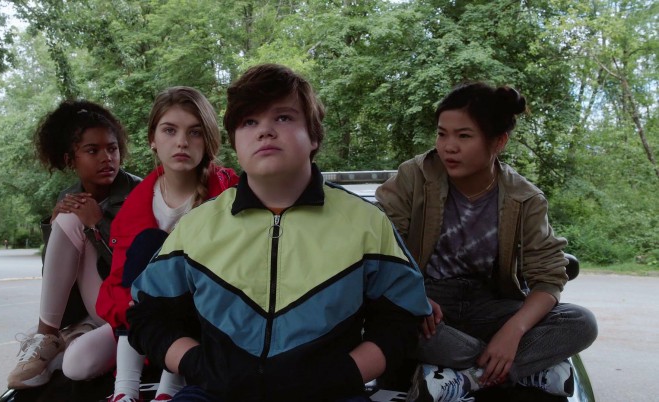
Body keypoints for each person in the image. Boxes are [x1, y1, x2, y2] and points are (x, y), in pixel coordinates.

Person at [125, 63, 432, 402]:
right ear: (234, 141)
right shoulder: (198, 226)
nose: (265, 131)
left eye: (283, 117)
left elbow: (402, 317)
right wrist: (200, 366)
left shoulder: (366, 222)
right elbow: (146, 314)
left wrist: (342, 374)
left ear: (313, 136)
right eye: (249, 122)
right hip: (215, 395)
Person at [374, 82, 598, 402]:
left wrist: (513, 331)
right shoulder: (414, 177)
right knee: (386, 321)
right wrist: (412, 294)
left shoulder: (525, 198)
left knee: (581, 322)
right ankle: (522, 369)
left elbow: (548, 279)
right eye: (442, 134)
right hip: (430, 308)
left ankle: (466, 378)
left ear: (499, 141)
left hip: (492, 308)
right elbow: (379, 244)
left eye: (464, 136)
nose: (449, 147)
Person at [96, 86, 239, 402]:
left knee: (180, 261)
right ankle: (125, 390)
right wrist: (131, 307)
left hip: (202, 318)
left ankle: (169, 389)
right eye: (170, 130)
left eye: (195, 132)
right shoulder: (135, 205)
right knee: (77, 364)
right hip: (141, 317)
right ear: (153, 139)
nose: (182, 142)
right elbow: (118, 282)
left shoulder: (230, 195)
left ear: (208, 141)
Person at [7, 100, 141, 389]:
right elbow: (55, 274)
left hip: (127, 306)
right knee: (68, 218)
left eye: (112, 149)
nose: (107, 158)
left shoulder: (139, 193)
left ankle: (63, 338)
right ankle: (47, 337)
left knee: (76, 367)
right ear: (70, 160)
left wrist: (98, 225)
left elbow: (137, 270)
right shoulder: (69, 199)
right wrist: (53, 226)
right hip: (92, 310)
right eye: (93, 151)